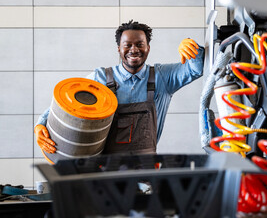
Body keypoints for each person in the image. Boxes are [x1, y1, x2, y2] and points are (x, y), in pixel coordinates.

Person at [34, 20, 204, 156]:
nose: (134, 49)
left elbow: (195, 69)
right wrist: (40, 125)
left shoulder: (163, 77)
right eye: (127, 45)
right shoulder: (100, 78)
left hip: (146, 171)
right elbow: (69, 105)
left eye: (140, 44)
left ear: (148, 47)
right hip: (105, 172)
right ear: (119, 48)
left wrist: (193, 48)